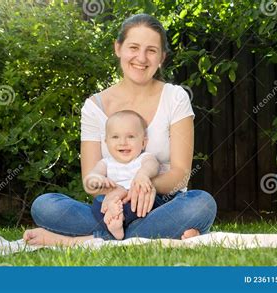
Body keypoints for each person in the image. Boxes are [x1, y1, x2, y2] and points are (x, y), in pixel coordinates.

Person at [23, 13, 217, 246]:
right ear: (118, 48)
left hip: (163, 205)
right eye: (133, 47)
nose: (141, 58)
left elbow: (181, 174)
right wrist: (115, 194)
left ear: (162, 57)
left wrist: (144, 186)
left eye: (151, 50)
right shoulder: (94, 106)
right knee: (44, 206)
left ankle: (84, 240)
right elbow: (90, 180)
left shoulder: (175, 97)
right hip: (111, 208)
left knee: (202, 204)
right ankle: (148, 234)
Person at [87, 110, 159, 240]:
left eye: (130, 136)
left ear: (143, 142)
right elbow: (92, 176)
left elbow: (152, 165)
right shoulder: (106, 163)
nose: (123, 142)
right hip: (112, 201)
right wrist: (99, 180)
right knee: (99, 203)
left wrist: (143, 174)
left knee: (151, 201)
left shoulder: (143, 158)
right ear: (106, 142)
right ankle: (117, 224)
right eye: (115, 137)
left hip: (135, 200)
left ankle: (115, 225)